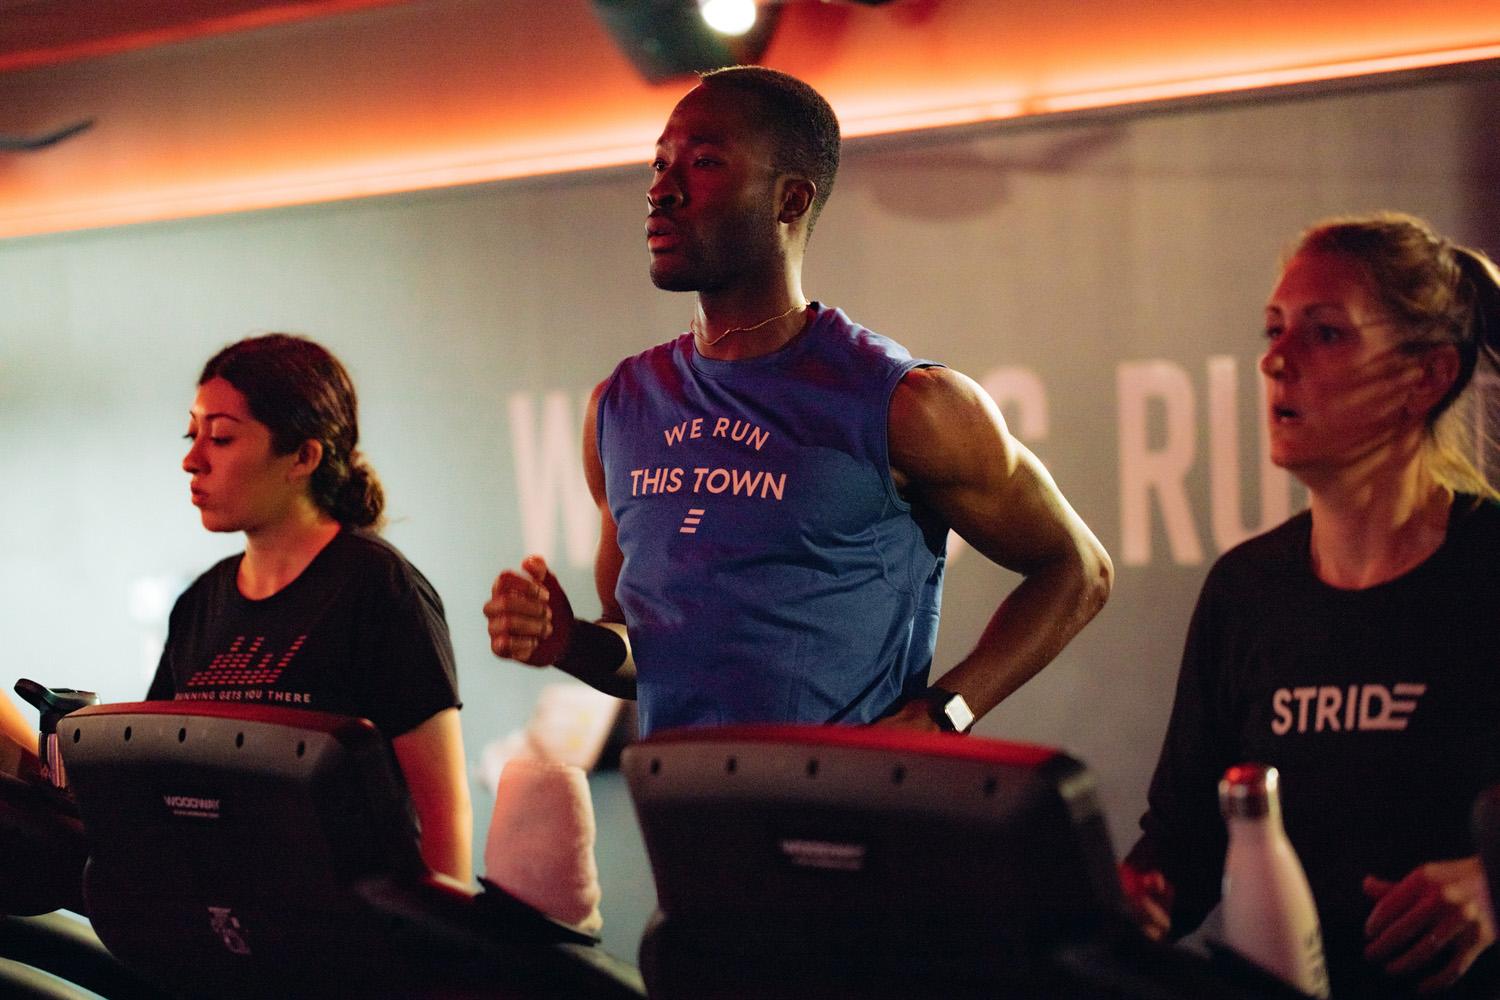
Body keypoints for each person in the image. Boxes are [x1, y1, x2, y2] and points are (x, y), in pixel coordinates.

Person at [484, 66, 1112, 736]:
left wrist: (941, 715)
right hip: (686, 822)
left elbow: (1077, 571)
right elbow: (653, 656)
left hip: (855, 823)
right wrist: (566, 642)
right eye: (659, 162)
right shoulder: (620, 407)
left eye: (702, 162)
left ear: (790, 201)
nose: (662, 189)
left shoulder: (906, 403)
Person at [1121, 212, 1500, 997]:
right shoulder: (1246, 591)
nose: (1275, 362)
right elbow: (1182, 847)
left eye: (1324, 334)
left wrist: (1493, 884)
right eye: (1273, 330)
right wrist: (1136, 901)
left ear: (1426, 376)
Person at [148, 334, 473, 885]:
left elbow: (443, 813)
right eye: (192, 433)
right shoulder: (199, 603)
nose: (191, 459)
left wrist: (439, 956)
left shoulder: (377, 587)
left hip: (358, 943)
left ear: (303, 456)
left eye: (221, 437)